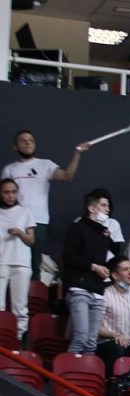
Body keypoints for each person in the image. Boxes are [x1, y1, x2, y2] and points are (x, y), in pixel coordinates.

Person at [3, 130, 89, 278]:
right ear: (15, 147)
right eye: (23, 141)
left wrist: (77, 154)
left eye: (31, 140)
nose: (28, 143)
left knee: (34, 264)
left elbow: (67, 176)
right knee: (9, 263)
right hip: (14, 221)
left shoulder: (45, 165)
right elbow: (3, 195)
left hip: (38, 221)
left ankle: (29, 298)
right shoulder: (9, 169)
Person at [63, 189, 120, 354]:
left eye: (108, 206)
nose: (107, 209)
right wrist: (93, 267)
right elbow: (69, 257)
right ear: (91, 208)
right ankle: (65, 375)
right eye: (104, 205)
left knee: (91, 342)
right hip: (79, 287)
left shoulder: (102, 233)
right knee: (81, 337)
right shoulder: (76, 228)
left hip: (97, 291)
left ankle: (82, 378)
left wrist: (109, 237)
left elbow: (116, 251)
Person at [0, 178, 34, 339]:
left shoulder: (25, 211)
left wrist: (20, 233)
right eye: (6, 192)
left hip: (21, 262)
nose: (10, 196)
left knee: (20, 307)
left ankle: (20, 341)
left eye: (13, 192)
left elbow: (31, 241)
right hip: (1, 261)